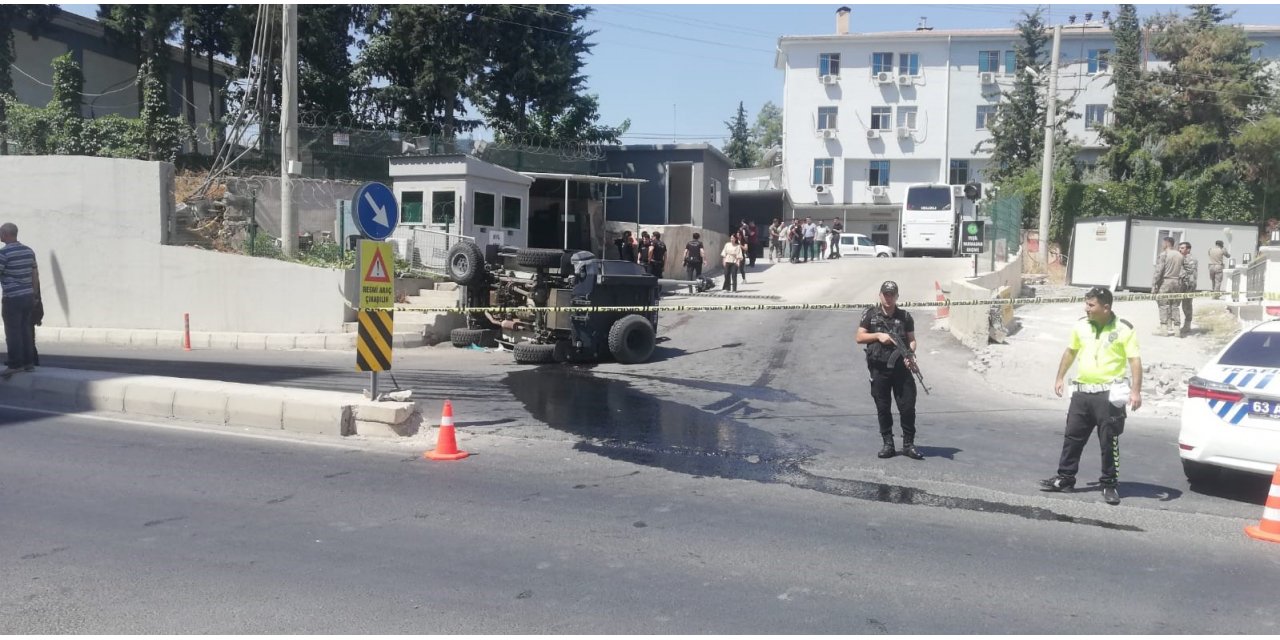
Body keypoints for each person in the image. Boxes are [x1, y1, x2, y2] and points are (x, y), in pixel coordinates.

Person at [1041, 286, 1142, 506]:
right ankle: (1065, 479)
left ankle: (1109, 484)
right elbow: (1070, 352)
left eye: (1091, 305)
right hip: (1082, 393)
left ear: (1106, 307)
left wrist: (1135, 391)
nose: (1086, 308)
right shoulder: (1080, 325)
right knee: (1072, 438)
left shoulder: (1124, 329)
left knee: (1109, 442)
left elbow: (1134, 360)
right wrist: (1060, 377)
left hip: (1109, 395)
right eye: (1086, 304)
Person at [856, 281, 924, 460]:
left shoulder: (905, 316)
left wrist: (910, 354)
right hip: (879, 369)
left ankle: (909, 445)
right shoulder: (870, 315)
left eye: (892, 294)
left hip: (901, 369)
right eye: (885, 294)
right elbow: (859, 337)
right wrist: (878, 336)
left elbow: (912, 340)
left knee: (908, 407)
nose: (888, 298)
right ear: (880, 295)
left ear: (897, 297)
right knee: (883, 407)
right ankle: (888, 444)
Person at [0, 222, 40, 378]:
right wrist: (35, 295)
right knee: (25, 330)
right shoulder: (29, 251)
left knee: (13, 332)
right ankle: (28, 363)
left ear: (5, 234)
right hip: (28, 296)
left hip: (12, 298)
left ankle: (15, 364)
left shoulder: (4, 254)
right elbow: (35, 275)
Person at [1152, 236, 1184, 336]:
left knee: (1163, 305)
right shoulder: (1179, 255)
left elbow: (1159, 271)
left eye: (1163, 243)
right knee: (1175, 306)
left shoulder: (1164, 254)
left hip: (1166, 282)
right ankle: (1177, 329)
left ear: (1167, 243)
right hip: (1177, 282)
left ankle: (1164, 329)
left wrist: (1154, 284)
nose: (1162, 245)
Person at [1179, 241, 1198, 337]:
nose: (1180, 249)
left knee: (1187, 305)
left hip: (1188, 285)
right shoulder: (1182, 257)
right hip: (1183, 284)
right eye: (1180, 248)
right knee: (1178, 304)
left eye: (1182, 248)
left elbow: (1189, 272)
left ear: (1188, 249)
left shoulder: (1191, 259)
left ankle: (1187, 325)